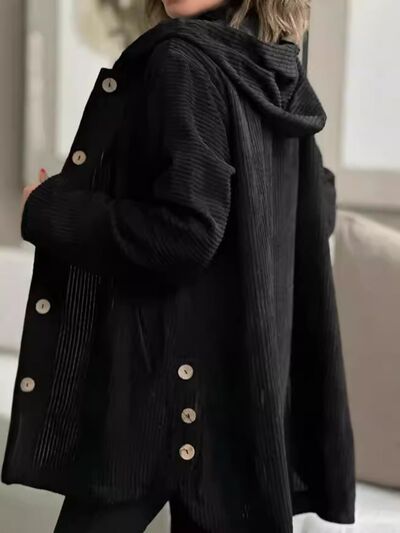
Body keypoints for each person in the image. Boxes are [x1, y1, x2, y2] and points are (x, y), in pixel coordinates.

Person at [2, 0, 356, 532]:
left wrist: (51, 208)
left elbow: (185, 233)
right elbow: (316, 208)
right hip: (240, 393)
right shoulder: (276, 71)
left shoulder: (183, 61)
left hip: (155, 386)